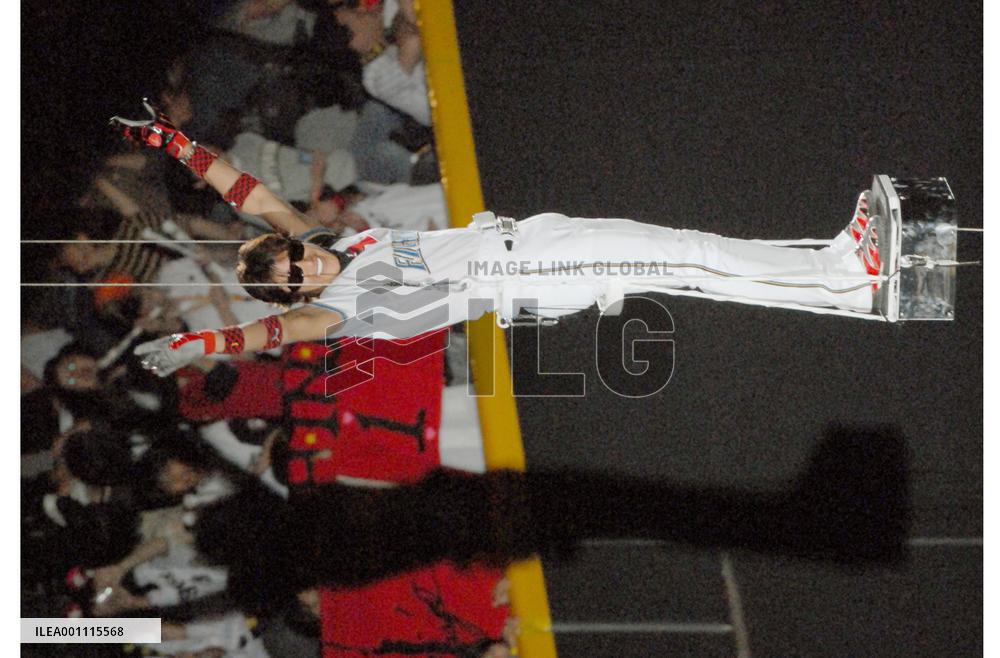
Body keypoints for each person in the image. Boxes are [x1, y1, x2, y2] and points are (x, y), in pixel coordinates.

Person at [110, 102, 882, 377]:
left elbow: (246, 192)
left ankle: (830, 267)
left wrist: (172, 143)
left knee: (687, 255)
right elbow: (268, 332)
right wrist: (195, 348)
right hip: (533, 277)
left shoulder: (330, 248)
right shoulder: (335, 308)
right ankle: (845, 273)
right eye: (292, 271)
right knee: (689, 257)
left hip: (535, 240)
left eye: (291, 251)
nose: (301, 258)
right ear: (299, 292)